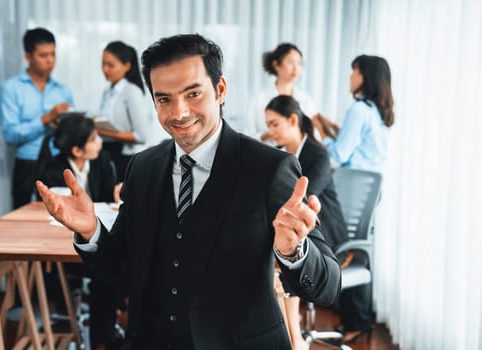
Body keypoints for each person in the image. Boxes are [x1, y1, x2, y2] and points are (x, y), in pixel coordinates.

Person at [36, 33, 341, 350]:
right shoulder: (143, 168)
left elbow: (328, 287)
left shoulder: (269, 168)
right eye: (164, 99)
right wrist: (92, 232)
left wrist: (294, 253)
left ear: (220, 90)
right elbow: (121, 269)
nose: (179, 112)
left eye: (193, 94)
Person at [312, 54, 395, 344]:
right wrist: (331, 130)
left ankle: (354, 318)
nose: (350, 77)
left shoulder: (359, 110)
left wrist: (319, 138)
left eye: (354, 72)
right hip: (368, 189)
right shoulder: (375, 110)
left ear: (365, 77)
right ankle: (355, 318)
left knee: (345, 246)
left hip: (352, 187)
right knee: (357, 248)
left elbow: (339, 155)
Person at [34, 115, 125, 349]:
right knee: (104, 273)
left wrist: (117, 196)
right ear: (77, 149)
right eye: (94, 139)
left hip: (95, 240)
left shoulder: (102, 160)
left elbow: (107, 198)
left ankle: (104, 335)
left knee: (108, 269)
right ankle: (100, 334)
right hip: (63, 244)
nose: (101, 143)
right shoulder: (53, 169)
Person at [265, 95, 348, 350]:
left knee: (280, 252)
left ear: (293, 120)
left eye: (275, 124)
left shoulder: (318, 154)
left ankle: (294, 337)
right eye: (268, 125)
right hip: (301, 226)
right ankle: (290, 333)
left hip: (326, 230)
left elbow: (303, 199)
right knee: (274, 246)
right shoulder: (280, 155)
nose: (270, 131)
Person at [0, 27, 74, 209]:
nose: (50, 61)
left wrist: (63, 124)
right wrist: (47, 118)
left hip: (58, 162)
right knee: (22, 218)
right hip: (27, 164)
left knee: (62, 218)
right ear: (28, 56)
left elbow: (72, 131)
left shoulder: (63, 90)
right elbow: (10, 134)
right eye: (43, 55)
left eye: (53, 54)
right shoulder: (11, 88)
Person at [96, 41, 152, 181]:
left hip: (124, 158)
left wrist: (101, 131)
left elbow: (141, 136)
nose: (105, 69)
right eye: (103, 64)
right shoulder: (108, 92)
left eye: (110, 65)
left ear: (126, 66)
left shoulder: (132, 92)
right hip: (106, 153)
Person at [245, 43, 318, 144]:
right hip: (267, 155)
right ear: (276, 65)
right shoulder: (259, 99)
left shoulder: (306, 100)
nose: (296, 68)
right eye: (290, 62)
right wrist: (270, 133)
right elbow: (247, 138)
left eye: (299, 63)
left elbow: (313, 135)